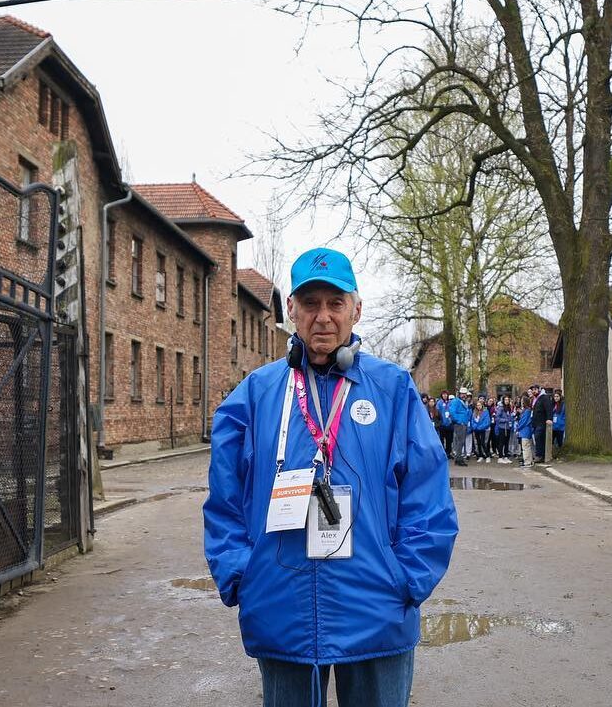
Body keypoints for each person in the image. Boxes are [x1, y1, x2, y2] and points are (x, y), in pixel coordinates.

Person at [203, 247, 459, 707]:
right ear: (291, 311)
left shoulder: (393, 390)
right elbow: (224, 501)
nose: (323, 317)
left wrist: (407, 580)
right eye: (310, 303)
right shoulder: (255, 397)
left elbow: (428, 497)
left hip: (377, 610)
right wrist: (243, 576)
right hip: (283, 611)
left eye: (335, 303)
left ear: (356, 310)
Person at [447, 388, 472, 467]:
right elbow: (452, 411)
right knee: (459, 442)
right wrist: (458, 420)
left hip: (463, 423)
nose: (464, 395)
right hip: (460, 423)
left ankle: (458, 458)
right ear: (459, 394)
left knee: (460, 441)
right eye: (462, 394)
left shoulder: (464, 402)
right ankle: (458, 459)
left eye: (465, 394)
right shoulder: (456, 401)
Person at [532, 386, 555, 461]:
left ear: (539, 389)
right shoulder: (536, 399)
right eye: (533, 390)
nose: (533, 391)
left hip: (541, 422)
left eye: (535, 389)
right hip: (536, 422)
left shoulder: (544, 398)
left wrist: (549, 418)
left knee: (538, 437)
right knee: (539, 439)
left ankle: (540, 455)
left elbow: (549, 408)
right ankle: (540, 454)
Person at [493, 397, 516, 463]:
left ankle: (506, 456)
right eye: (505, 400)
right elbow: (497, 418)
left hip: (508, 427)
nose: (507, 401)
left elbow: (510, 416)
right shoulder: (501, 408)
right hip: (502, 428)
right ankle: (500, 457)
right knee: (501, 442)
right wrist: (505, 420)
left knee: (507, 443)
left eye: (508, 400)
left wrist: (512, 419)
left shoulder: (509, 408)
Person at [516, 401, 535, 468]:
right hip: (527, 431)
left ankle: (527, 462)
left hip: (525, 431)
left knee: (525, 447)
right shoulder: (528, 411)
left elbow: (523, 421)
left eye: (522, 401)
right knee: (528, 447)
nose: (521, 403)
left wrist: (518, 427)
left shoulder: (526, 411)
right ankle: (529, 461)